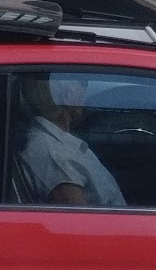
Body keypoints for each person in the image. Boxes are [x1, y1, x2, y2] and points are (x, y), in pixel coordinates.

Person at [11, 74, 125, 207]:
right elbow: (79, 222)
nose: (86, 90)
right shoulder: (52, 153)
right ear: (67, 95)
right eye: (83, 82)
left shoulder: (59, 141)